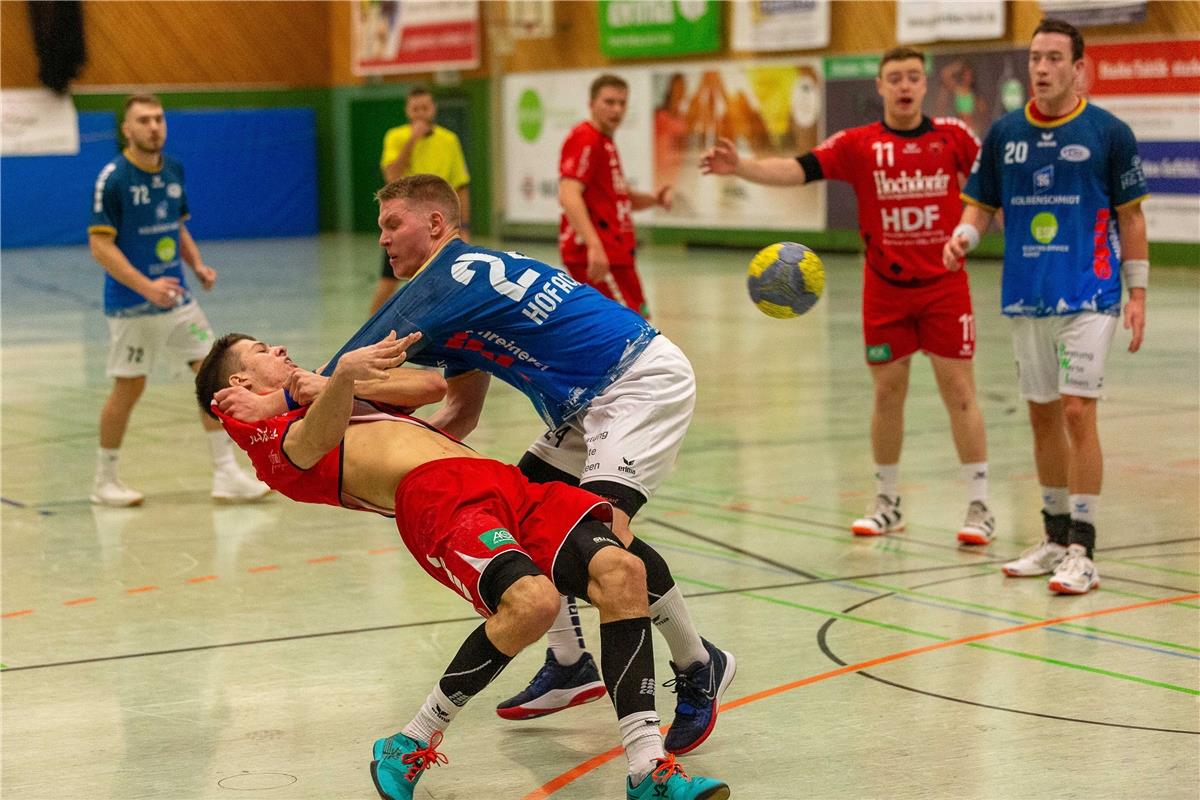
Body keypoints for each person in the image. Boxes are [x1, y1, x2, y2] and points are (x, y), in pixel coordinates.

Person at [214, 174, 734, 756]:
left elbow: (339, 373)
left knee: (605, 532)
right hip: (584, 401)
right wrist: (417, 464)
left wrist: (272, 400)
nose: (382, 241)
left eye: (393, 225)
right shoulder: (456, 307)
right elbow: (459, 410)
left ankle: (698, 662)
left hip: (634, 383)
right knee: (534, 509)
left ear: (436, 225)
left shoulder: (442, 281)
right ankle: (569, 662)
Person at [194, 331, 731, 800]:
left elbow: (429, 388)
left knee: (622, 571)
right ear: (239, 381)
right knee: (534, 603)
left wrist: (325, 383)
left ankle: (646, 768)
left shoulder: (322, 390)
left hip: (501, 482)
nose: (281, 348)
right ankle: (412, 740)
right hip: (439, 498)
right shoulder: (253, 423)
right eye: (263, 350)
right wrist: (321, 386)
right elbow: (311, 444)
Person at [701, 47, 995, 545]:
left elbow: (987, 191)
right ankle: (887, 501)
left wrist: (968, 233)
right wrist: (742, 167)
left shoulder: (954, 137)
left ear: (925, 86)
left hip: (945, 286)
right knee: (886, 394)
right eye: (894, 78)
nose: (904, 86)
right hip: (884, 290)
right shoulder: (859, 143)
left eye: (912, 78)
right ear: (880, 87)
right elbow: (799, 168)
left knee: (960, 393)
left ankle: (980, 506)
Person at [943, 18, 1150, 595]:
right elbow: (979, 206)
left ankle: (1084, 547)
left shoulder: (1109, 132)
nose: (1042, 68)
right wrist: (964, 237)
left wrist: (1138, 292)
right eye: (1036, 58)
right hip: (1027, 293)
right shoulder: (1006, 132)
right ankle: (1054, 536)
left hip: (1092, 292)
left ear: (1078, 67)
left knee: (1078, 412)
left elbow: (1131, 217)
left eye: (1055, 58)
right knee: (1041, 415)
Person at [87, 93, 269, 507]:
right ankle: (104, 480)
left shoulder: (173, 170)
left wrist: (198, 265)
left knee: (211, 374)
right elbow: (101, 247)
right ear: (126, 130)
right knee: (129, 388)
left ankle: (226, 473)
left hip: (179, 301)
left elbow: (175, 228)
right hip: (132, 305)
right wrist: (145, 287)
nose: (154, 127)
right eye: (144, 120)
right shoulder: (114, 178)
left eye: (159, 119)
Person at [560, 74, 672, 318]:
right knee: (627, 326)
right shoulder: (586, 138)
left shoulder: (605, 142)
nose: (617, 109)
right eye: (609, 102)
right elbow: (568, 193)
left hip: (619, 254)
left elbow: (620, 198)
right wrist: (594, 246)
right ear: (592, 104)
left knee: (637, 322)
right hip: (599, 254)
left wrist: (654, 199)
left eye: (622, 103)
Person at [369, 87, 471, 315]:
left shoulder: (449, 140)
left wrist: (464, 226)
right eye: (415, 109)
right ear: (408, 111)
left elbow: (461, 185)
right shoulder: (396, 137)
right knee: (388, 282)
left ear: (433, 109)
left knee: (446, 279)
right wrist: (413, 140)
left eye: (425, 108)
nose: (421, 114)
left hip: (441, 222)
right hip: (407, 221)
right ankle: (368, 335)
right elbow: (391, 175)